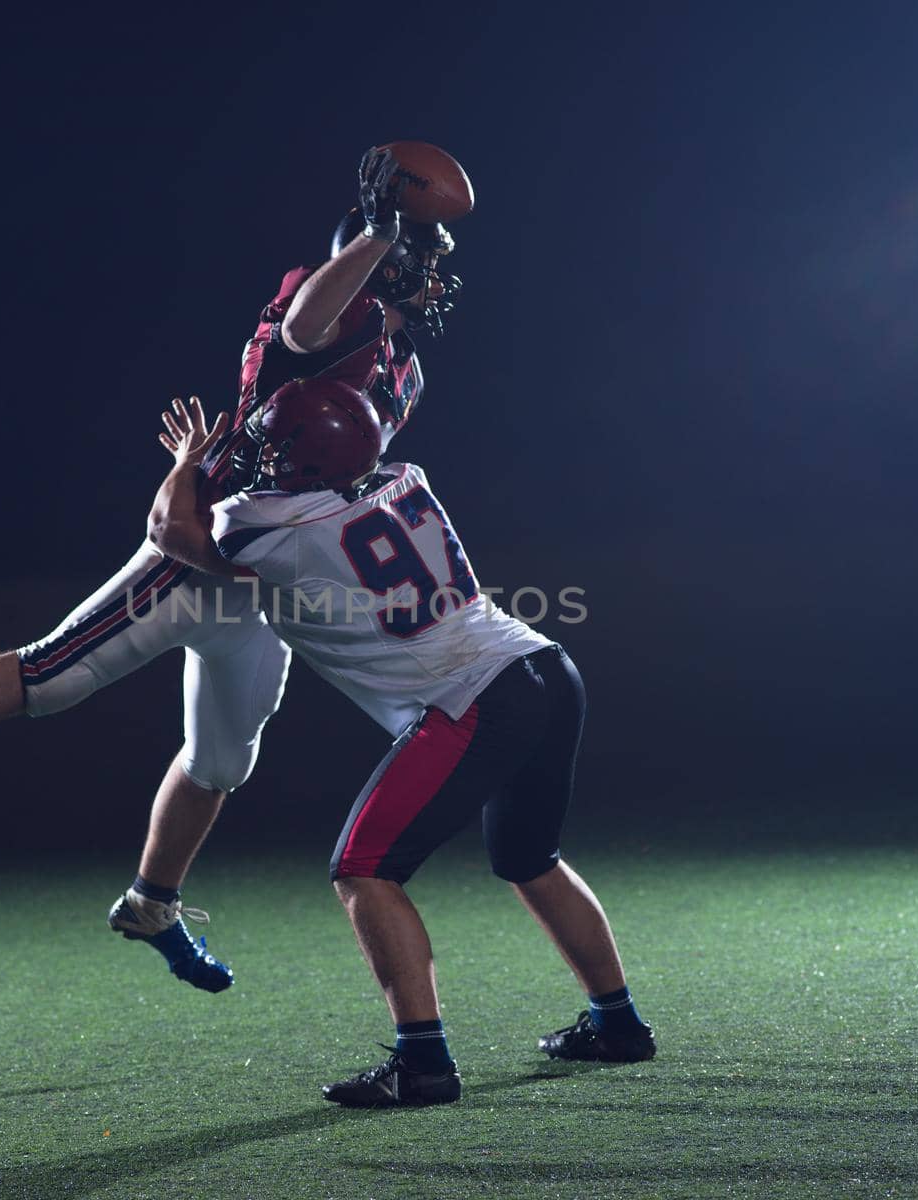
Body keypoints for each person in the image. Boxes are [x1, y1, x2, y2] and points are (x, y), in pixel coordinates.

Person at [0, 147, 463, 994]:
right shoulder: (328, 314)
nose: (439, 277)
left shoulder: (406, 370)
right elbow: (303, 327)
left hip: (268, 584)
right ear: (383, 261)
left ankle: (153, 901)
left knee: (225, 759)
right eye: (427, 260)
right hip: (203, 549)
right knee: (54, 674)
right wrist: (377, 236)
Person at [146, 380, 656, 1108]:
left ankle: (423, 1063)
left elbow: (171, 532)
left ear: (297, 459)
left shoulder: (267, 525)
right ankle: (620, 1025)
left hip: (473, 699)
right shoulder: (403, 476)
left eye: (272, 440)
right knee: (529, 858)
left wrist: (188, 460)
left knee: (362, 869)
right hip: (544, 664)